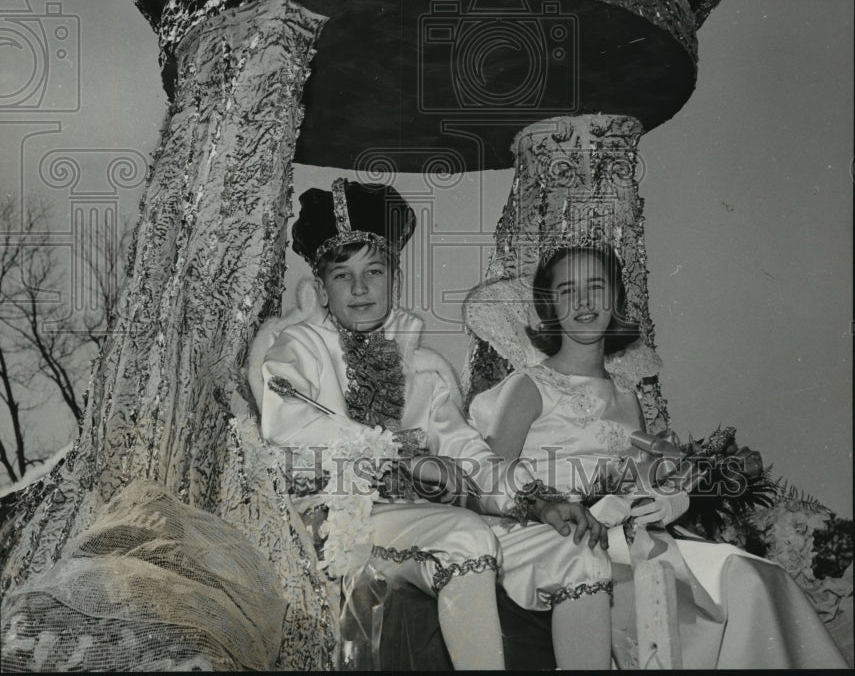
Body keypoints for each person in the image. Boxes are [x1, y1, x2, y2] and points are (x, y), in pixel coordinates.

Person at [250, 180, 612, 670]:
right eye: (343, 276)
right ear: (321, 288)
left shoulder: (422, 368)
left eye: (374, 272)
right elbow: (288, 430)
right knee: (464, 535)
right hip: (347, 522)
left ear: (393, 278)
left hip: (427, 517)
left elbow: (469, 455)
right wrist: (398, 455)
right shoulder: (297, 348)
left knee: (579, 551)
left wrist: (538, 501)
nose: (360, 289)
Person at [469, 244, 849, 669]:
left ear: (616, 301)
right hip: (565, 540)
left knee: (751, 575)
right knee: (669, 596)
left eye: (596, 287)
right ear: (548, 306)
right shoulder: (528, 387)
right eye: (566, 291)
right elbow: (487, 481)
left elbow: (642, 478)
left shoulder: (625, 396)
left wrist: (669, 496)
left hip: (632, 536)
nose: (583, 302)